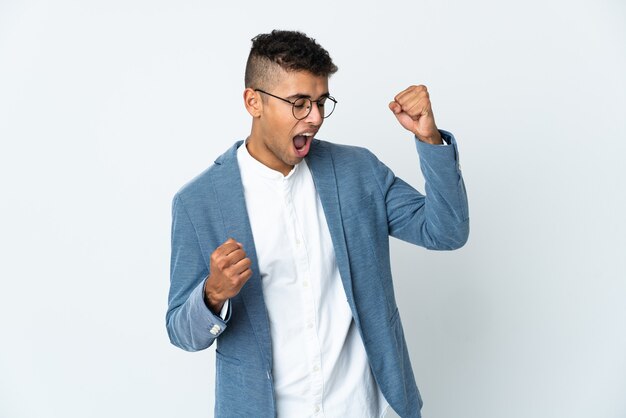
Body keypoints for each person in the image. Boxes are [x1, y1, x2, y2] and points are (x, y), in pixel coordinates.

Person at [166, 30, 469, 418]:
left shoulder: (359, 171)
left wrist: (429, 139)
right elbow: (181, 332)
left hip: (367, 408)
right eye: (299, 103)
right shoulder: (199, 202)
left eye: (321, 102)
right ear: (253, 101)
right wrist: (212, 294)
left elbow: (446, 231)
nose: (315, 117)